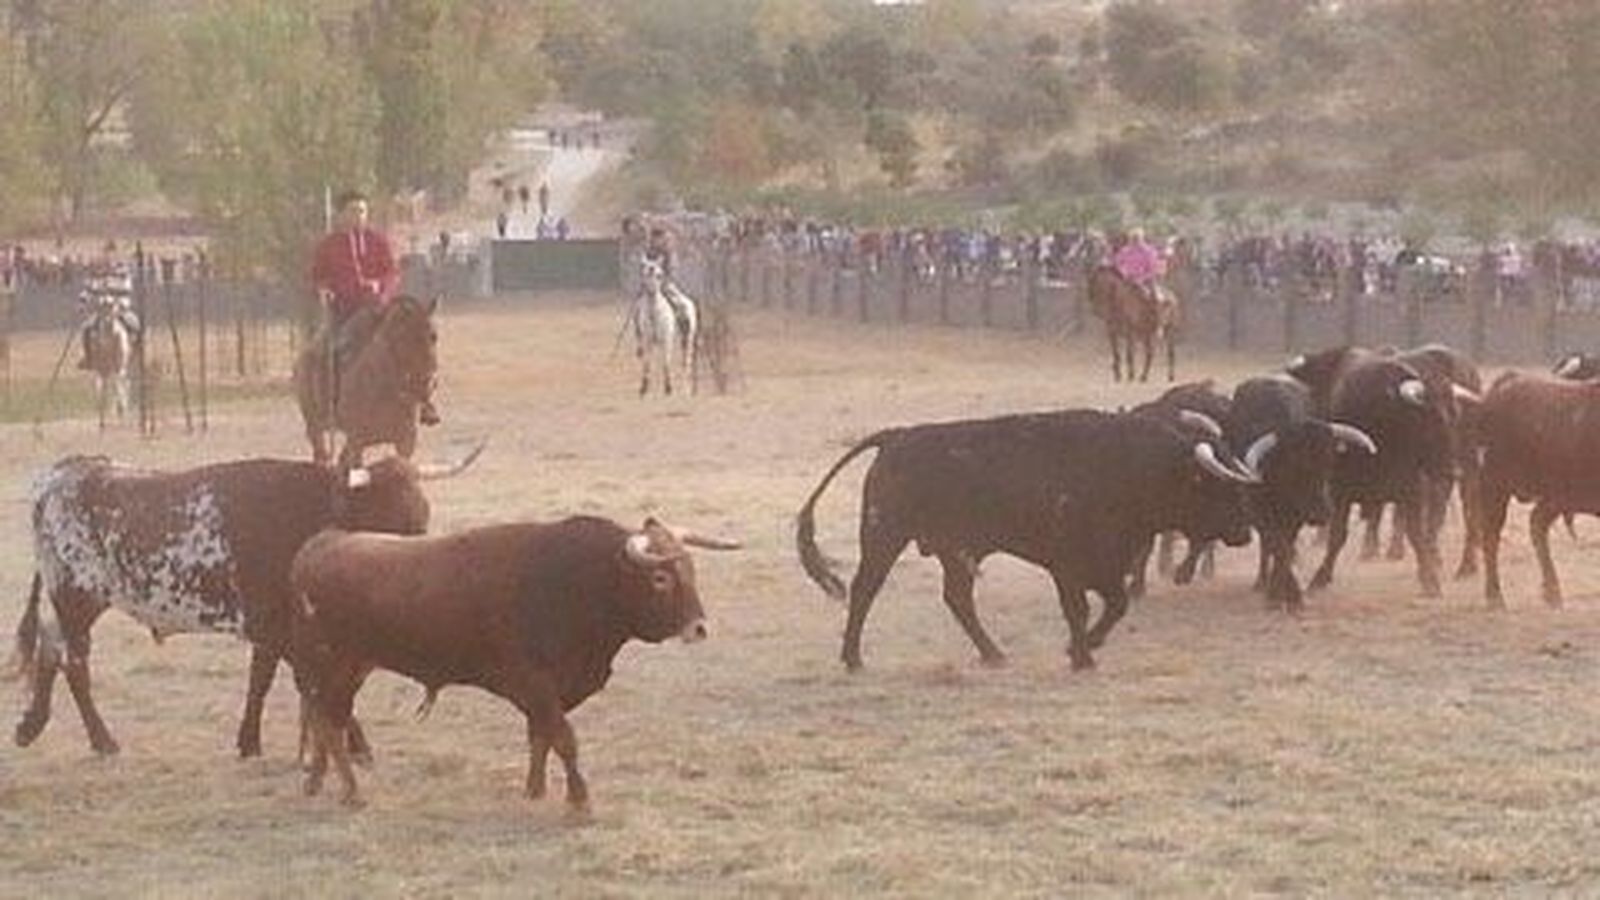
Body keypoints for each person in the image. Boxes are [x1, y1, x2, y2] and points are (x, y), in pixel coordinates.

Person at [310, 189, 438, 426]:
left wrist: (380, 286)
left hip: (379, 309)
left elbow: (391, 272)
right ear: (340, 215)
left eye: (362, 211)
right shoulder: (328, 245)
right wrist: (324, 290)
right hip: (343, 310)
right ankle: (328, 402)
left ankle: (423, 401)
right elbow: (319, 276)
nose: (358, 216)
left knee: (414, 347)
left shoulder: (378, 241)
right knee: (324, 352)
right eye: (353, 211)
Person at [1112, 226, 1166, 299]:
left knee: (1156, 296)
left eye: (1137, 238)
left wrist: (1142, 278)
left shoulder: (1149, 251)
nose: (1135, 240)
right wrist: (1124, 272)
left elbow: (1153, 268)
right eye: (1133, 238)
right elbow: (1118, 263)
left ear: (1142, 238)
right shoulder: (1125, 251)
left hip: (1146, 280)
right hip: (1127, 279)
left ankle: (1158, 307)